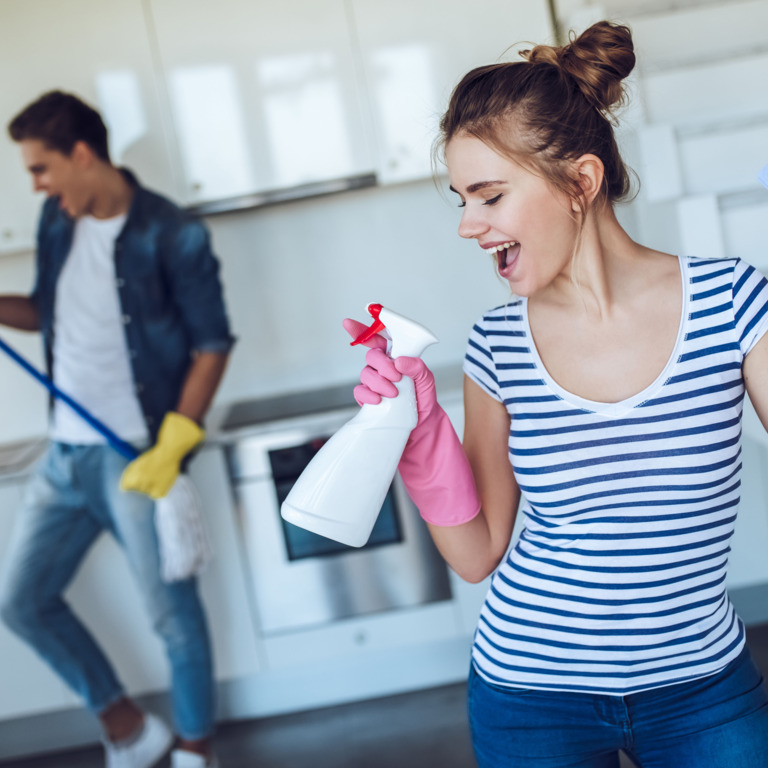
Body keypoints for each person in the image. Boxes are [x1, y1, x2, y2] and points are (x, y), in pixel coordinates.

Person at [344, 21, 768, 768]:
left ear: (581, 182)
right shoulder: (497, 347)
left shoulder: (732, 303)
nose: (469, 226)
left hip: (703, 690)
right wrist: (419, 437)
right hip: (532, 694)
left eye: (490, 196)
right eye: (461, 200)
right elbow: (478, 555)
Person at [0, 91, 234, 768]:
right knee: (23, 601)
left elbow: (212, 345)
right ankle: (129, 728)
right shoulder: (56, 220)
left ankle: (195, 750)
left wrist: (175, 441)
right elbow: (49, 311)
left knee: (172, 616)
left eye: (40, 169)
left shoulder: (173, 232)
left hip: (134, 456)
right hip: (63, 456)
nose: (37, 185)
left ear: (81, 155)